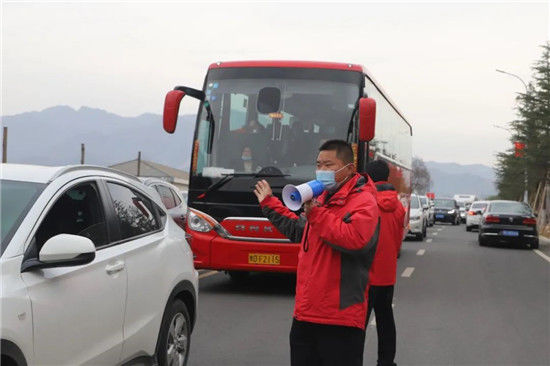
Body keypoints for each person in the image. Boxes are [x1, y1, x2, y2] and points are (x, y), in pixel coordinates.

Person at [253, 140, 380, 366]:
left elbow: (355, 239)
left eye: (329, 165)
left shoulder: (364, 202)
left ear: (349, 169)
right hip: (306, 313)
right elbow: (300, 230)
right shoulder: (321, 198)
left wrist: (317, 215)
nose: (321, 171)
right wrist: (269, 204)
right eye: (318, 164)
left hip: (340, 317)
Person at [362, 159, 406, 366]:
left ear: (368, 177)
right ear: (387, 178)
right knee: (386, 319)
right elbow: (397, 243)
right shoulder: (398, 207)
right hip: (387, 274)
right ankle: (386, 362)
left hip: (364, 274)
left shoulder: (365, 203)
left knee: (357, 323)